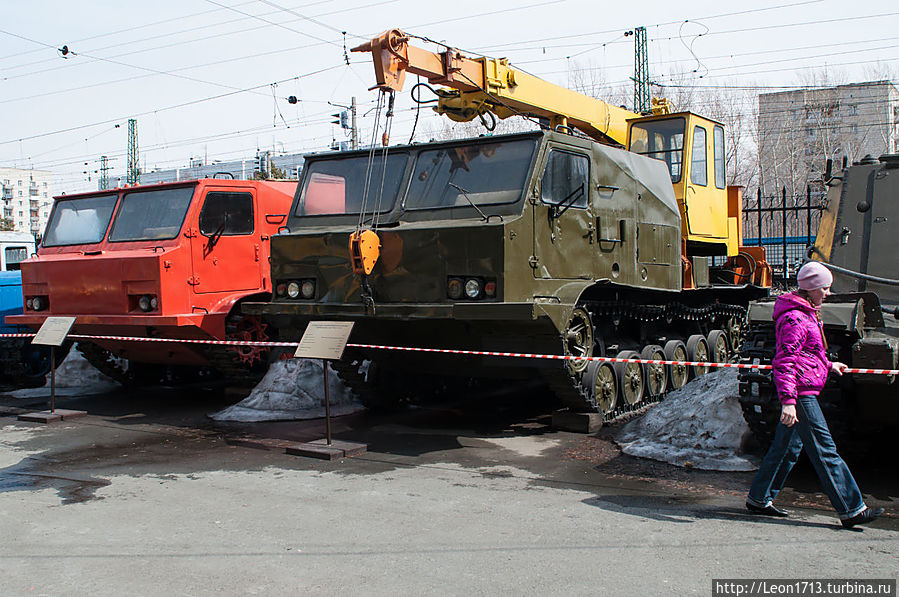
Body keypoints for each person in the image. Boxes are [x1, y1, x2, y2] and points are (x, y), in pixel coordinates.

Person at [745, 261, 883, 529]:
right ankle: (852, 508)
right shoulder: (795, 317)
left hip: (804, 387)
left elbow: (808, 352)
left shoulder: (807, 312)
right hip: (800, 393)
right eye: (825, 288)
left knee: (787, 447)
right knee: (825, 449)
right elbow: (785, 360)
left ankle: (759, 498)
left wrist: (829, 364)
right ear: (811, 288)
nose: (828, 293)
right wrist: (788, 401)